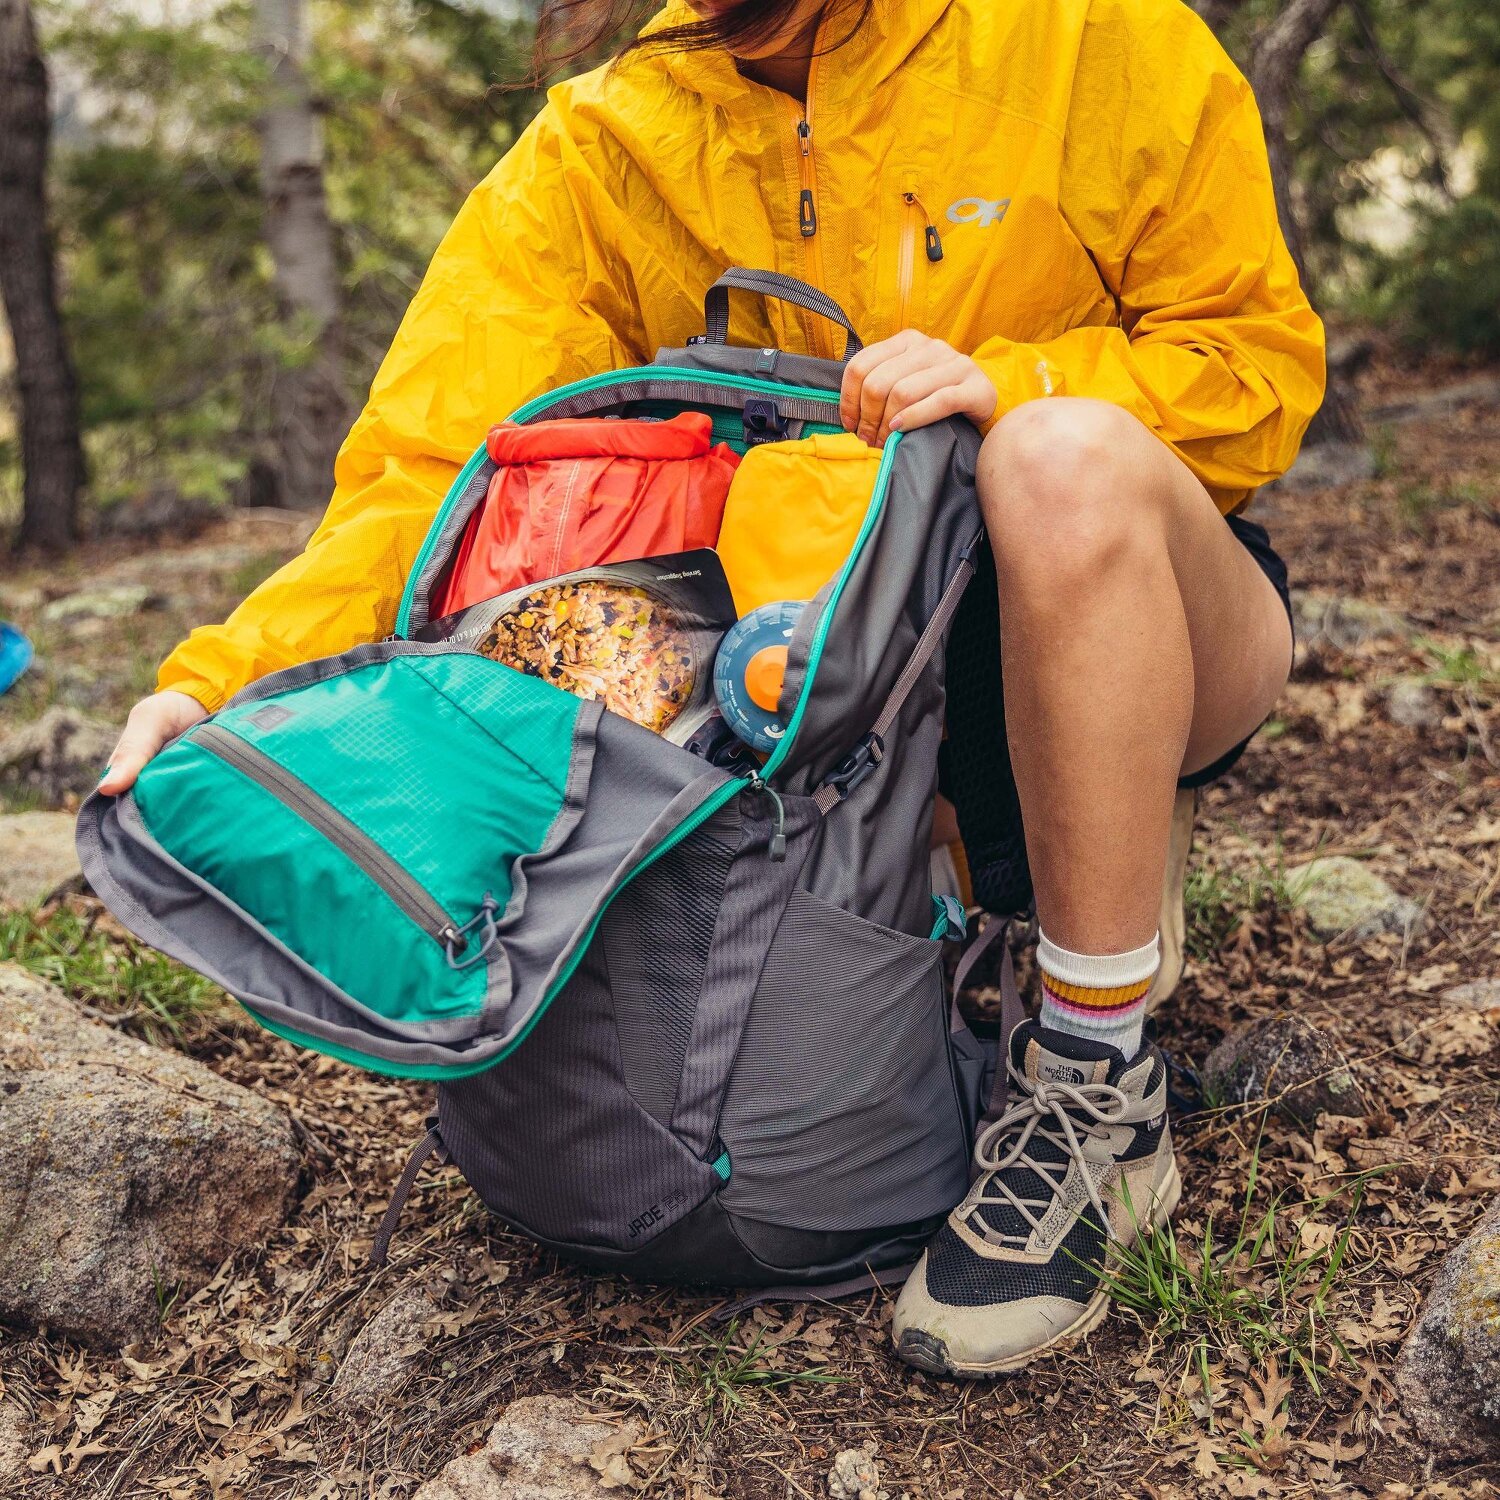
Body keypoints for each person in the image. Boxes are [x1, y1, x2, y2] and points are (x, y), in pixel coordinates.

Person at [99, 0, 1323, 1376]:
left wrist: (1013, 384)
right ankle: (959, 917)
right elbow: (435, 464)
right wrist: (232, 684)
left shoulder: (1091, 34)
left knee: (1056, 460)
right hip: (833, 692)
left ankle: (1098, 1082)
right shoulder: (612, 138)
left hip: (1136, 613)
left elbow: (1255, 364)